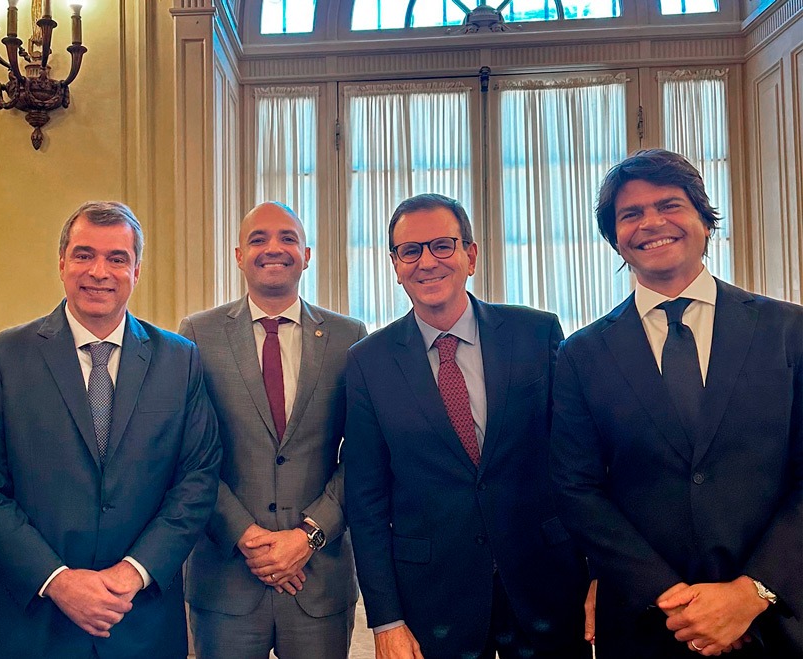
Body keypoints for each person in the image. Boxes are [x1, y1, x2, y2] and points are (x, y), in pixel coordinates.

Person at [550, 149, 802, 658]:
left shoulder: (789, 331)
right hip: (648, 624)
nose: (652, 223)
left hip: (776, 619)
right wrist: (673, 601)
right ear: (615, 239)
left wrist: (750, 592)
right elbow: (576, 489)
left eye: (669, 205)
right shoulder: (581, 354)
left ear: (705, 222)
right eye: (631, 214)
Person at [0, 201, 221, 658]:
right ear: (61, 264)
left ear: (137, 270)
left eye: (117, 258)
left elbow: (196, 482)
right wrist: (57, 581)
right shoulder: (3, 357)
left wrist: (131, 574)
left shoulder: (180, 361)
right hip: (31, 621)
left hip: (139, 618)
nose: (99, 271)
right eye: (83, 255)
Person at [344, 193, 592, 659]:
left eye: (442, 245)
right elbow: (366, 499)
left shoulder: (536, 334)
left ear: (470, 255)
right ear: (395, 264)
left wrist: (599, 571)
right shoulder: (367, 363)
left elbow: (577, 462)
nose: (427, 262)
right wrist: (385, 620)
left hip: (547, 584)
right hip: (434, 599)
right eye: (410, 250)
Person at [179, 202, 366, 658]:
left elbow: (363, 454)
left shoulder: (349, 336)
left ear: (307, 253)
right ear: (239, 255)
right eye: (258, 239)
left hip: (318, 576)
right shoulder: (197, 334)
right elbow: (189, 453)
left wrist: (308, 536)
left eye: (287, 237)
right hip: (226, 577)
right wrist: (247, 536)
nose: (273, 248)